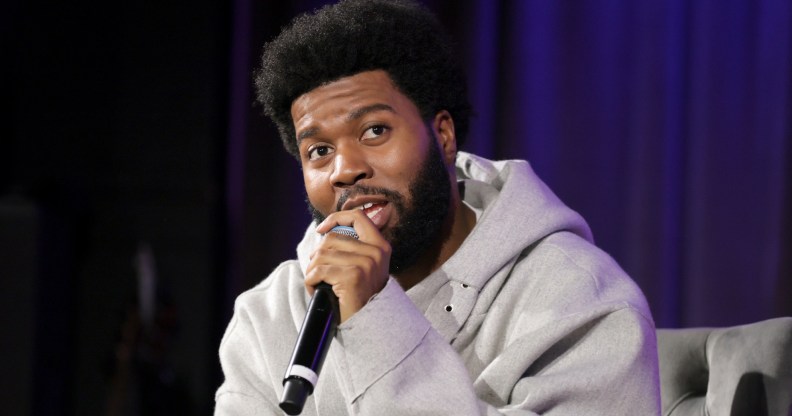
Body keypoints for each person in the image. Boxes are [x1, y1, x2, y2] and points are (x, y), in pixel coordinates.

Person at [215, 0, 661, 414]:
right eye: (318, 152)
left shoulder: (579, 300)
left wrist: (374, 315)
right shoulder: (268, 316)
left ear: (443, 136)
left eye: (374, 131)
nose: (345, 170)